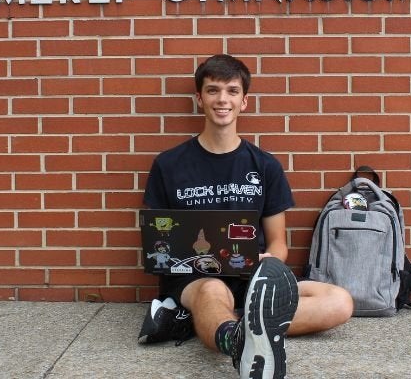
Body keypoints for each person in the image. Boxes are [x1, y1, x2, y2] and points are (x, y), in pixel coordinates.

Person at [138, 54, 354, 378]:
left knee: (339, 301)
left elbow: (279, 242)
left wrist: (269, 261)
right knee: (211, 291)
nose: (222, 99)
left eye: (231, 91)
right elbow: (160, 239)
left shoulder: (265, 166)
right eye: (212, 90)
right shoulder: (169, 165)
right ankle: (234, 340)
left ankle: (227, 324)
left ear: (244, 101)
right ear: (199, 98)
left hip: (252, 279)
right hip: (195, 279)